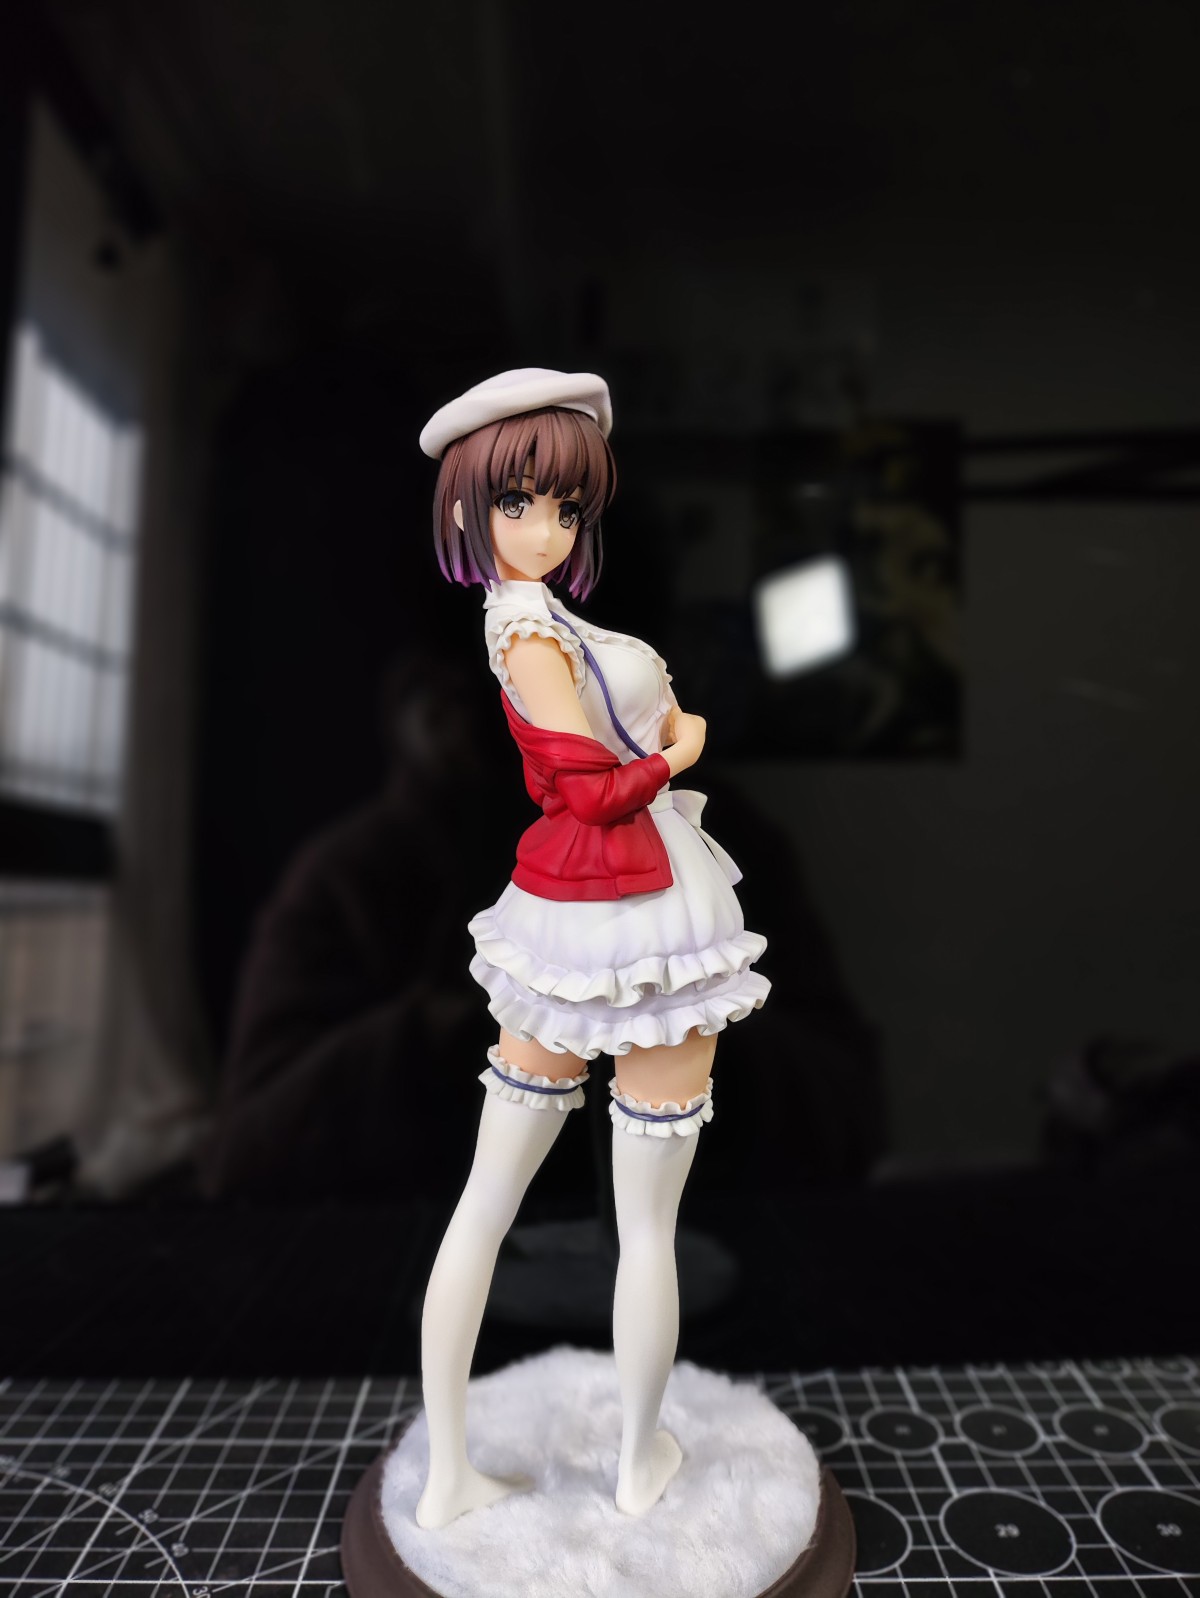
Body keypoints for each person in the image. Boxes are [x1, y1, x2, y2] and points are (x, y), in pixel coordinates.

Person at [413, 368, 771, 1527]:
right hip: (618, 909)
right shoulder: (522, 626)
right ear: (467, 505)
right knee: (516, 1203)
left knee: (599, 1213)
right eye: (517, 502)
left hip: (614, 910)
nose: (546, 528)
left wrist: (654, 748)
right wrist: (680, 750)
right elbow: (591, 789)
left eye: (566, 506)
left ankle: (624, 1458)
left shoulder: (545, 616)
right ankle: (473, 1469)